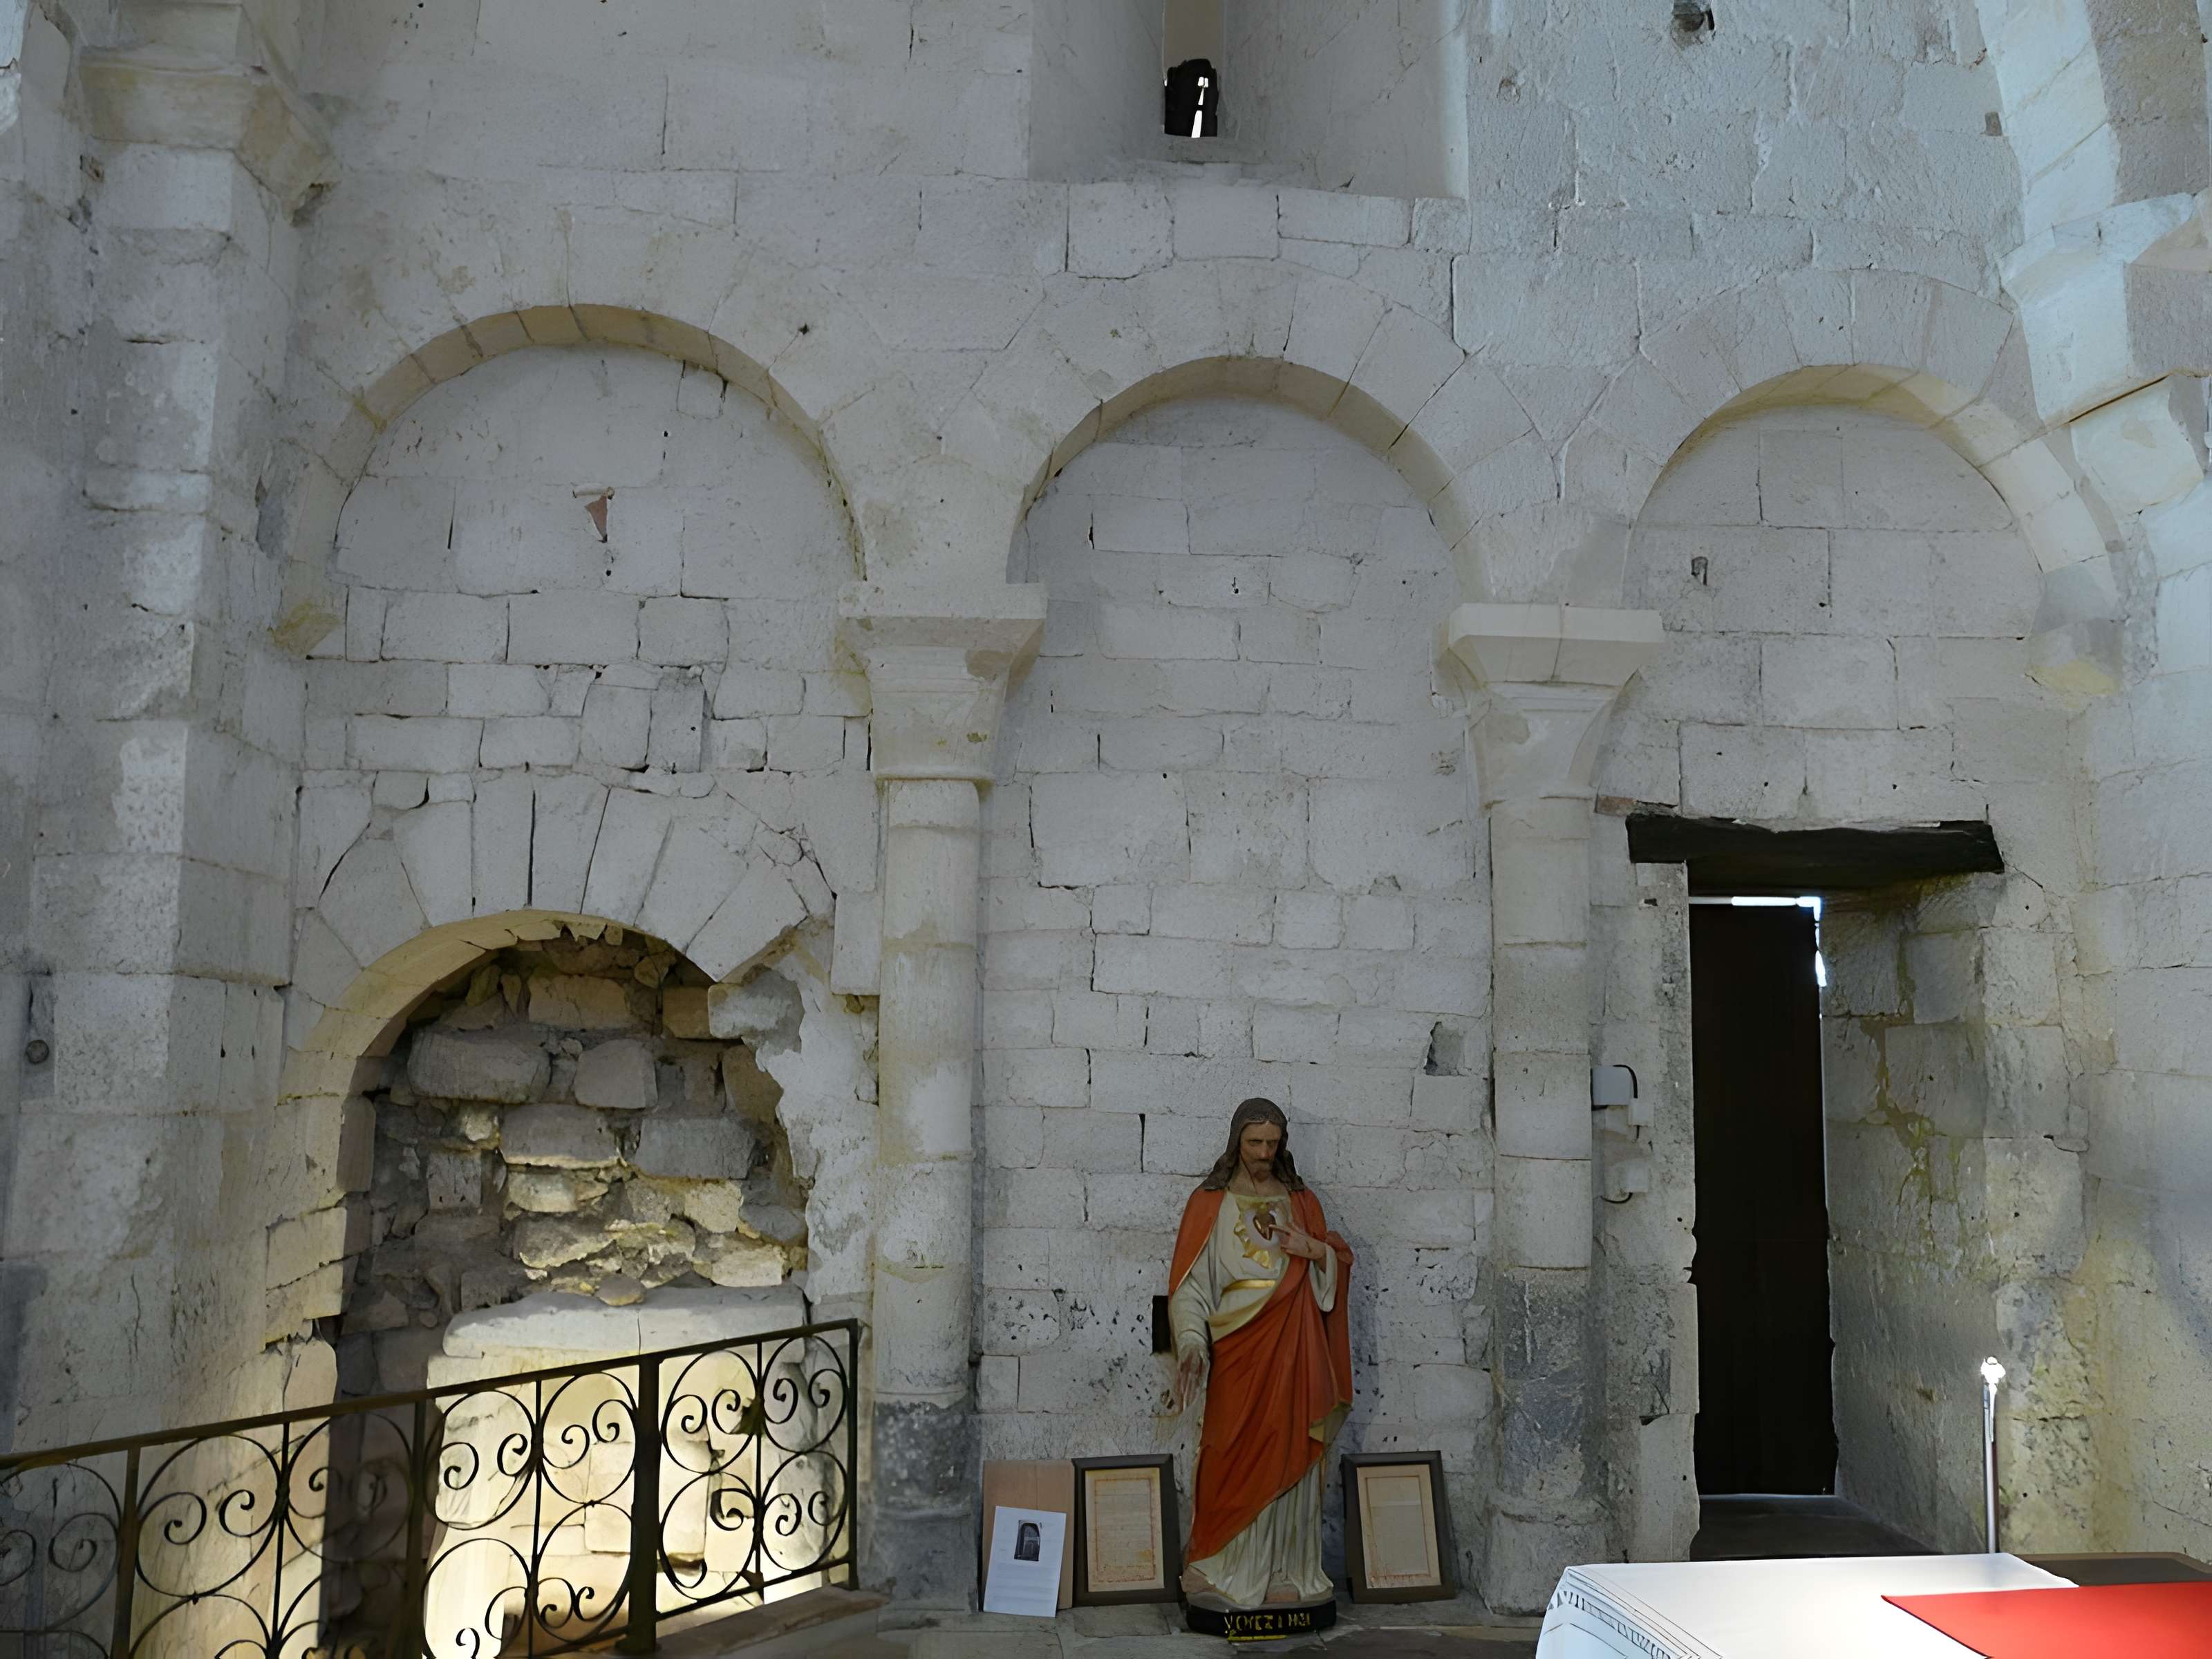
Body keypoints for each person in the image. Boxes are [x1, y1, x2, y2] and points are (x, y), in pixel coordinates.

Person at [1167, 1098, 1354, 1608]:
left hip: (1296, 1345)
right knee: (1227, 1451)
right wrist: (1190, 1343)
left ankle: (1286, 1569)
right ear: (1237, 1141)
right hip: (1237, 1347)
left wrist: (1313, 1251)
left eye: (1273, 1143)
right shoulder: (1210, 1202)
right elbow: (1190, 1287)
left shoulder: (1303, 1202)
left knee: (1291, 1449)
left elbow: (1334, 1260)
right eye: (1255, 1143)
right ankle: (1216, 1564)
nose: (1264, 1152)